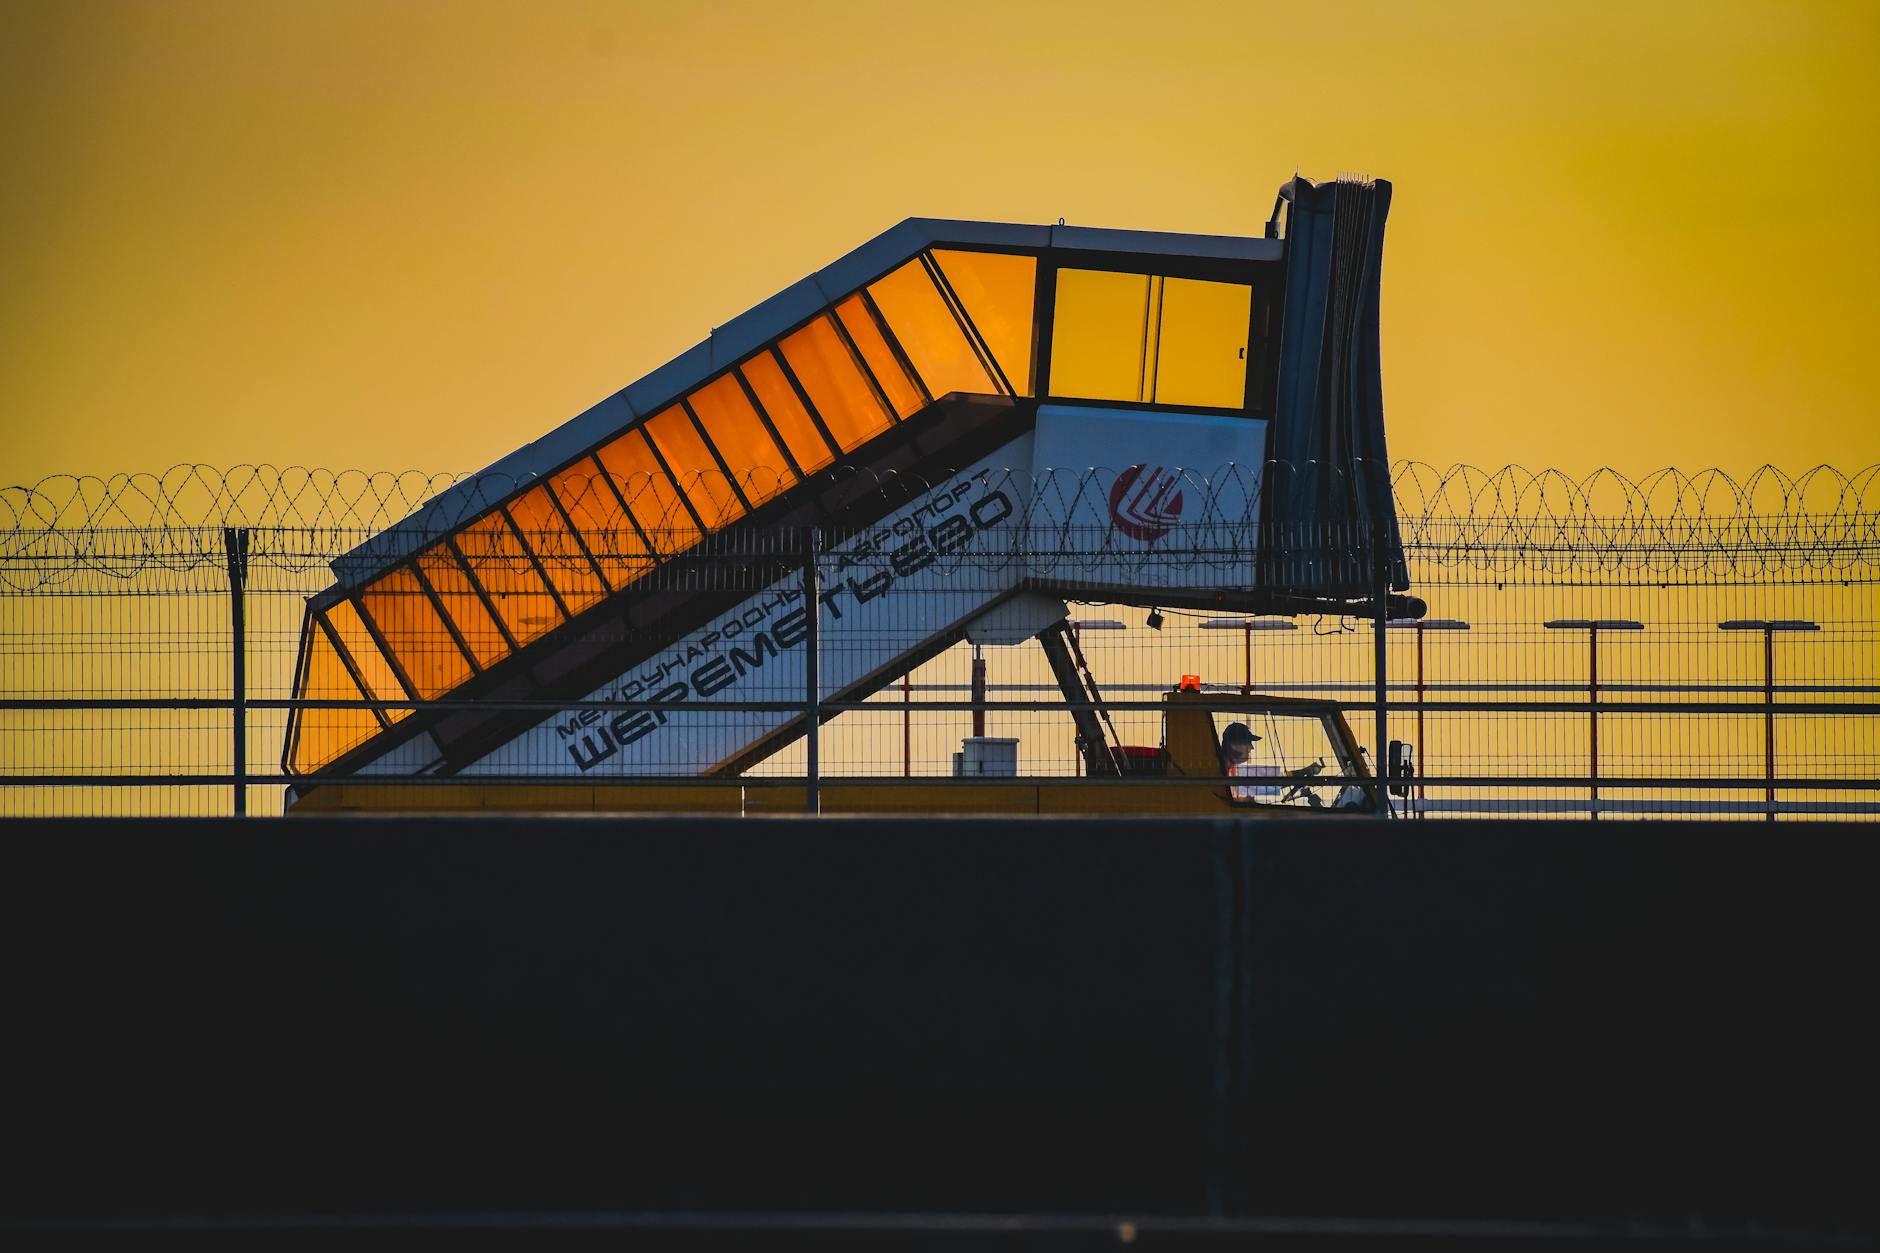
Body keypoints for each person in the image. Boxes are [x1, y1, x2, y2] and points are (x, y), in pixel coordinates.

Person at [1221, 722, 1281, 801]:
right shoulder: (1218, 769)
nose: (1251, 747)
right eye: (1247, 743)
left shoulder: (1227, 767)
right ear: (1234, 745)